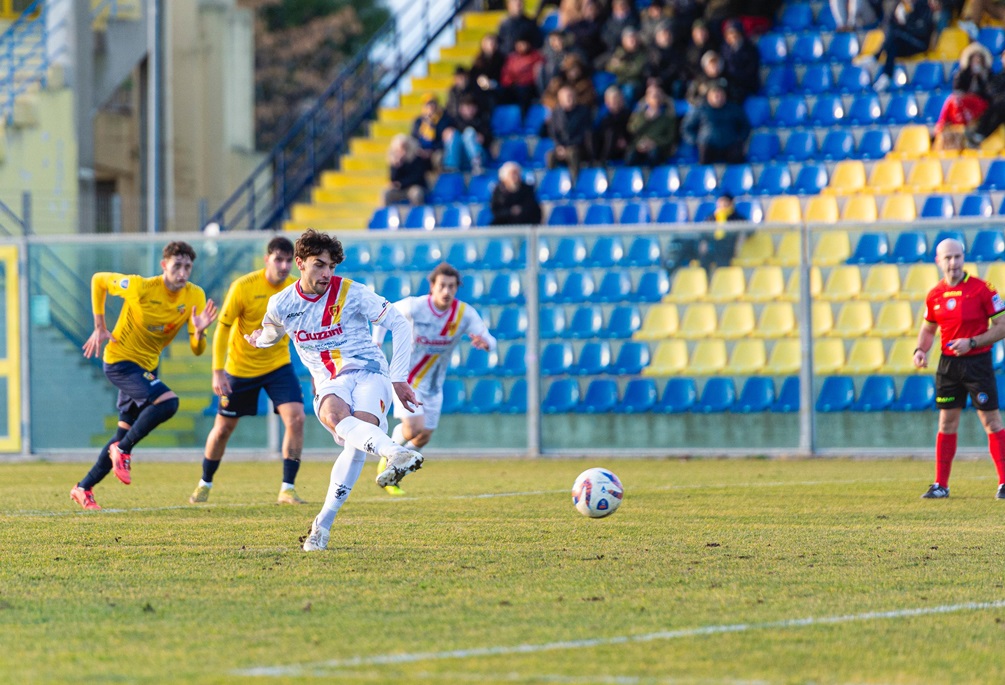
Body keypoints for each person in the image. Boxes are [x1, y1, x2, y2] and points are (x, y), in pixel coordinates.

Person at [246, 229, 424, 551]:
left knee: (357, 443)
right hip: (330, 381)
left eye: (331, 266)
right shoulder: (282, 303)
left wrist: (398, 377)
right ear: (300, 263)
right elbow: (271, 334)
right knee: (333, 414)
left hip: (370, 371)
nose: (327, 273)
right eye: (319, 265)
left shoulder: (351, 292)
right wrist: (257, 339)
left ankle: (322, 526)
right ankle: (393, 452)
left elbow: (398, 322)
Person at [71, 242, 218, 510]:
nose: (182, 273)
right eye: (177, 266)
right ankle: (123, 450)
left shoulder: (194, 296)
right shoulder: (140, 286)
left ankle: (83, 487)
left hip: (147, 368)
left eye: (187, 267)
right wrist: (99, 326)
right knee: (168, 402)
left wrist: (198, 333)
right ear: (164, 266)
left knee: (122, 432)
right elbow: (98, 280)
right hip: (120, 363)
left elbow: (197, 351)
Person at [188, 237, 306, 506]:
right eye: (279, 259)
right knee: (223, 429)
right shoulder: (243, 287)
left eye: (289, 261)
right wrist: (218, 371)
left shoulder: (294, 289)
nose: (284, 266)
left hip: (277, 365)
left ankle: (287, 488)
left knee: (297, 418)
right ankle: (204, 482)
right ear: (267, 259)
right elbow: (223, 328)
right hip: (239, 369)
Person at [371, 263, 497, 495]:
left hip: (434, 386)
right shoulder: (415, 306)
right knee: (414, 426)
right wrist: (376, 343)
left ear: (457, 288)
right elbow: (382, 315)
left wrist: (486, 343)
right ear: (432, 286)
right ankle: (389, 457)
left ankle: (394, 474)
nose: (446, 291)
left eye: (451, 286)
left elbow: (489, 338)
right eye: (442, 286)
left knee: (425, 435)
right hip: (406, 379)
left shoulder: (464, 313)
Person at [914, 238, 1005, 500]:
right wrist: (921, 350)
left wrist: (973, 342)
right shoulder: (934, 294)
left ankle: (1004, 483)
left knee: (991, 420)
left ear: (963, 258)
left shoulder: (982, 289)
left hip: (977, 363)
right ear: (938, 261)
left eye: (957, 256)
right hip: (948, 366)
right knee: (946, 422)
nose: (953, 262)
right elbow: (929, 328)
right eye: (948, 258)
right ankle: (940, 485)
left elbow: (1002, 326)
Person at [870, 0, 941, 92]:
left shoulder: (925, 7)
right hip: (908, 42)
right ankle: (886, 76)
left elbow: (922, 31)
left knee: (895, 35)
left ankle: (877, 58)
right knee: (893, 44)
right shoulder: (905, 7)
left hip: (920, 44)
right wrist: (898, 17)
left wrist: (904, 24)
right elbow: (889, 24)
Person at [934, 42, 992, 150]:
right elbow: (958, 90)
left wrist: (981, 77)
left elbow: (989, 93)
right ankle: (943, 125)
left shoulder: (987, 74)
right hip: (964, 102)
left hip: (979, 104)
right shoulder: (962, 74)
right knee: (951, 101)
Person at [681, 80, 751, 165]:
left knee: (737, 160)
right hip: (708, 145)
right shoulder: (701, 109)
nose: (718, 97)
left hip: (730, 144)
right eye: (715, 95)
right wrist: (696, 140)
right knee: (703, 159)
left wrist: (739, 139)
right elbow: (686, 128)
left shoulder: (734, 108)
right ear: (709, 96)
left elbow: (745, 126)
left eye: (721, 94)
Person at [546, 84, 594, 179]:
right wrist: (559, 146)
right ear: (560, 99)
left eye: (571, 96)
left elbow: (585, 133)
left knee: (572, 153)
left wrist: (569, 146)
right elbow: (553, 132)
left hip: (578, 147)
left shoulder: (583, 112)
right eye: (567, 96)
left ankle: (575, 182)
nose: (570, 98)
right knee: (550, 155)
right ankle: (552, 181)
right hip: (561, 147)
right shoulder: (556, 112)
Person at [625, 83, 677, 166]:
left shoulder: (667, 117)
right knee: (630, 156)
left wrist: (654, 143)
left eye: (658, 96)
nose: (656, 99)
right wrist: (646, 119)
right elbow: (632, 130)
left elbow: (670, 137)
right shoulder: (639, 115)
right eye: (653, 96)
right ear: (647, 99)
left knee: (654, 155)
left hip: (658, 147)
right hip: (641, 146)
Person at [442, 95, 492, 175]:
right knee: (453, 134)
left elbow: (489, 140)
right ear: (461, 109)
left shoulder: (482, 121)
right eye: (467, 107)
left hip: (480, 156)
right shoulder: (454, 122)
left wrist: (483, 138)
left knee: (469, 132)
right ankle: (451, 167)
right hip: (461, 157)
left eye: (472, 107)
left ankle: (476, 163)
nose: (469, 110)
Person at [490, 161, 543, 226]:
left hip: (525, 224)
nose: (515, 177)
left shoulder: (527, 189)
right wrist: (510, 211)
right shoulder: (498, 191)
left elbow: (533, 209)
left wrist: (520, 210)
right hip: (505, 223)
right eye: (511, 174)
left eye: (517, 173)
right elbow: (496, 210)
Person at [720, 20, 760, 102]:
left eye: (734, 33)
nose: (732, 36)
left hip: (745, 84)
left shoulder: (750, 48)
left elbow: (751, 70)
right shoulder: (724, 48)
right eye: (729, 34)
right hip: (730, 83)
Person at [411, 95, 452, 172]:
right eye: (428, 104)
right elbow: (413, 139)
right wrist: (420, 150)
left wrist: (432, 150)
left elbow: (444, 140)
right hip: (421, 151)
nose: (431, 107)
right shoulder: (418, 121)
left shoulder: (444, 120)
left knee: (439, 157)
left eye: (433, 104)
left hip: (436, 150)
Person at [383, 134, 428, 206]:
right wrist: (397, 165)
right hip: (401, 189)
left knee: (416, 193)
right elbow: (393, 179)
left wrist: (401, 184)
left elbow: (417, 177)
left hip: (414, 186)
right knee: (386, 193)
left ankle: (416, 215)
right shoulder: (394, 161)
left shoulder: (416, 158)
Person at [594, 85, 632, 164]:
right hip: (606, 146)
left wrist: (626, 141)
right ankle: (600, 161)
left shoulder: (629, 115)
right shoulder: (603, 116)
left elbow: (632, 131)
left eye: (617, 98)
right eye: (613, 99)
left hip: (624, 147)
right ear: (607, 102)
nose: (615, 101)